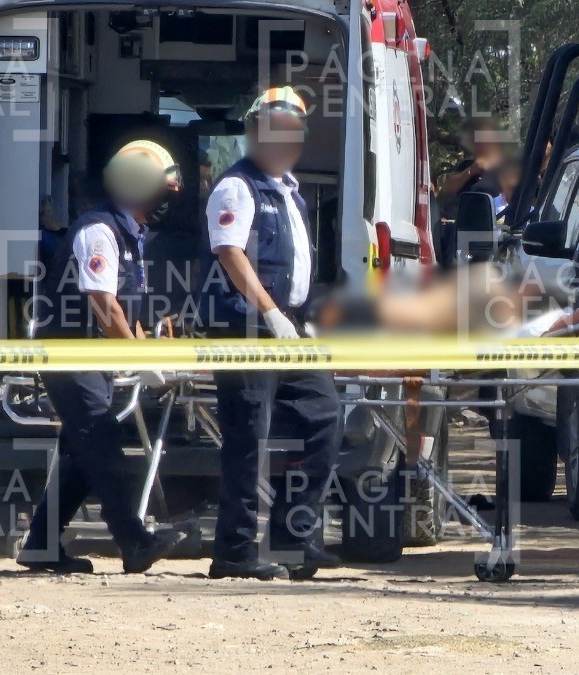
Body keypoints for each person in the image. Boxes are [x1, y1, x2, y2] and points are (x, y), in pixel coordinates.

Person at [19, 140, 187, 574]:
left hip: (91, 356)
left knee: (81, 454)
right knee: (104, 446)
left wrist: (143, 345)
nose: (168, 201)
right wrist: (138, 357)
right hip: (71, 354)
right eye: (163, 192)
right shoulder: (100, 230)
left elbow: (123, 308)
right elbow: (104, 305)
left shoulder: (129, 233)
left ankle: (39, 545)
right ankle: (133, 542)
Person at [197, 86, 342, 581]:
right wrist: (271, 312)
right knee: (247, 438)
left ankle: (292, 539)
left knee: (323, 414)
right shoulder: (238, 187)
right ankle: (234, 553)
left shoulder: (288, 189)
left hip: (286, 323)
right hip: (245, 325)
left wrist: (297, 317)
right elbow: (230, 252)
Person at [436, 117, 506, 267]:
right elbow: (447, 188)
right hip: (459, 235)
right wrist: (472, 170)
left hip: (491, 237)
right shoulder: (467, 166)